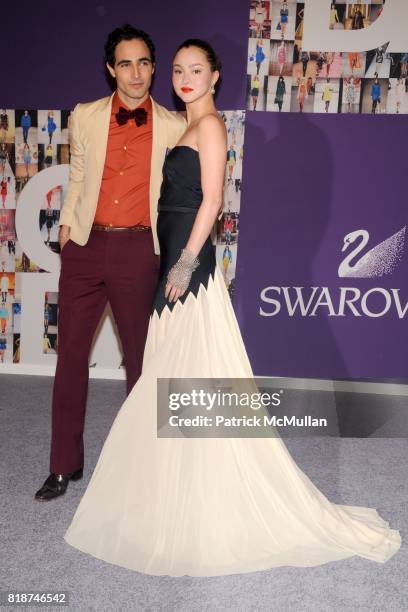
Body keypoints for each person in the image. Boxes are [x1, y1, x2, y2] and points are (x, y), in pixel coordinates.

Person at [64, 39, 401, 576]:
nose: (184, 78)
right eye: (177, 70)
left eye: (196, 70)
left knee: (181, 380)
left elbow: (214, 201)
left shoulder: (213, 127)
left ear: (216, 76)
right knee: (174, 382)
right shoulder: (185, 125)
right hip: (174, 268)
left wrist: (182, 266)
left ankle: (200, 499)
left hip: (188, 276)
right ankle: (175, 491)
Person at [34, 25, 186, 502]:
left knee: (141, 364)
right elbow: (78, 177)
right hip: (84, 247)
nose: (136, 73)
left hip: (139, 251)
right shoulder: (85, 116)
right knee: (70, 360)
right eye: (125, 63)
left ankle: (142, 468)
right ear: (110, 68)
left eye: (144, 62)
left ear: (154, 68)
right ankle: (63, 465)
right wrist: (65, 231)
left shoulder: (175, 126)